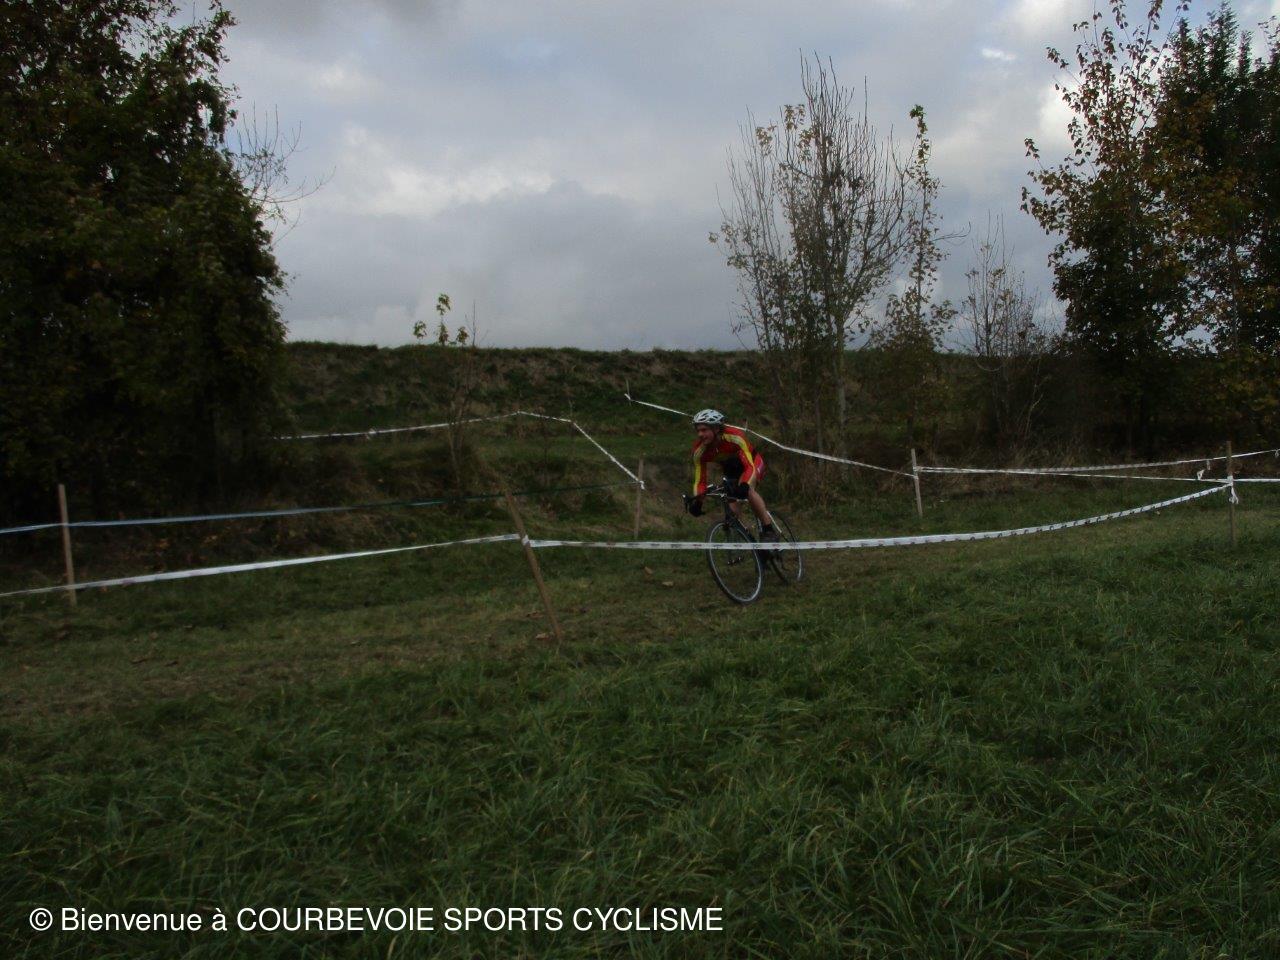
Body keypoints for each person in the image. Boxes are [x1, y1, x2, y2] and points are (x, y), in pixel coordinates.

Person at [684, 408, 778, 541]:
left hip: (752, 463)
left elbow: (749, 466)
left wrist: (745, 485)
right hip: (731, 469)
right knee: (732, 511)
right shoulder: (699, 451)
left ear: (716, 428)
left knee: (748, 491)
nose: (700, 434)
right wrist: (698, 502)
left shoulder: (735, 437)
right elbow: (700, 481)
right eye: (698, 430)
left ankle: (768, 529)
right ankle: (746, 539)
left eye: (704, 430)